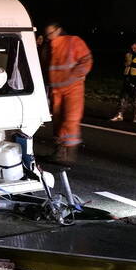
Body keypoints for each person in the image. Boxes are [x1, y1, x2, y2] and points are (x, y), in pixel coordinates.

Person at [42, 21, 92, 165]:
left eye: (51, 33)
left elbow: (86, 60)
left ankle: (69, 156)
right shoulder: (50, 46)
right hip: (56, 90)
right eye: (47, 34)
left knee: (70, 120)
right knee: (58, 122)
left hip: (73, 89)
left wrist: (75, 75)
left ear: (59, 30)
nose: (49, 36)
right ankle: (59, 153)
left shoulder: (73, 41)